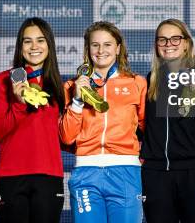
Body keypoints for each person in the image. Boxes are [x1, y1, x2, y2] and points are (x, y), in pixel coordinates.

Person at [60, 21, 147, 223]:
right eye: (95, 45)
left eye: (107, 44)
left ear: (117, 48)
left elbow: (147, 130)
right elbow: (66, 136)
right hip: (86, 173)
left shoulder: (136, 83)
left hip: (126, 172)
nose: (101, 50)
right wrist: (77, 100)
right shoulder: (72, 86)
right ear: (88, 49)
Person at [141, 19, 195, 223]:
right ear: (156, 45)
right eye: (162, 40)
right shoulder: (151, 79)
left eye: (175, 38)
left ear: (187, 43)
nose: (168, 44)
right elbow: (144, 129)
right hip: (156, 176)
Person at [0, 17, 65, 223]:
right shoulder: (2, 81)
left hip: (49, 177)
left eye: (40, 40)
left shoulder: (59, 86)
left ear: (49, 44)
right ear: (20, 46)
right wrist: (20, 103)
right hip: (12, 178)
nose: (34, 47)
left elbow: (66, 136)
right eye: (27, 41)